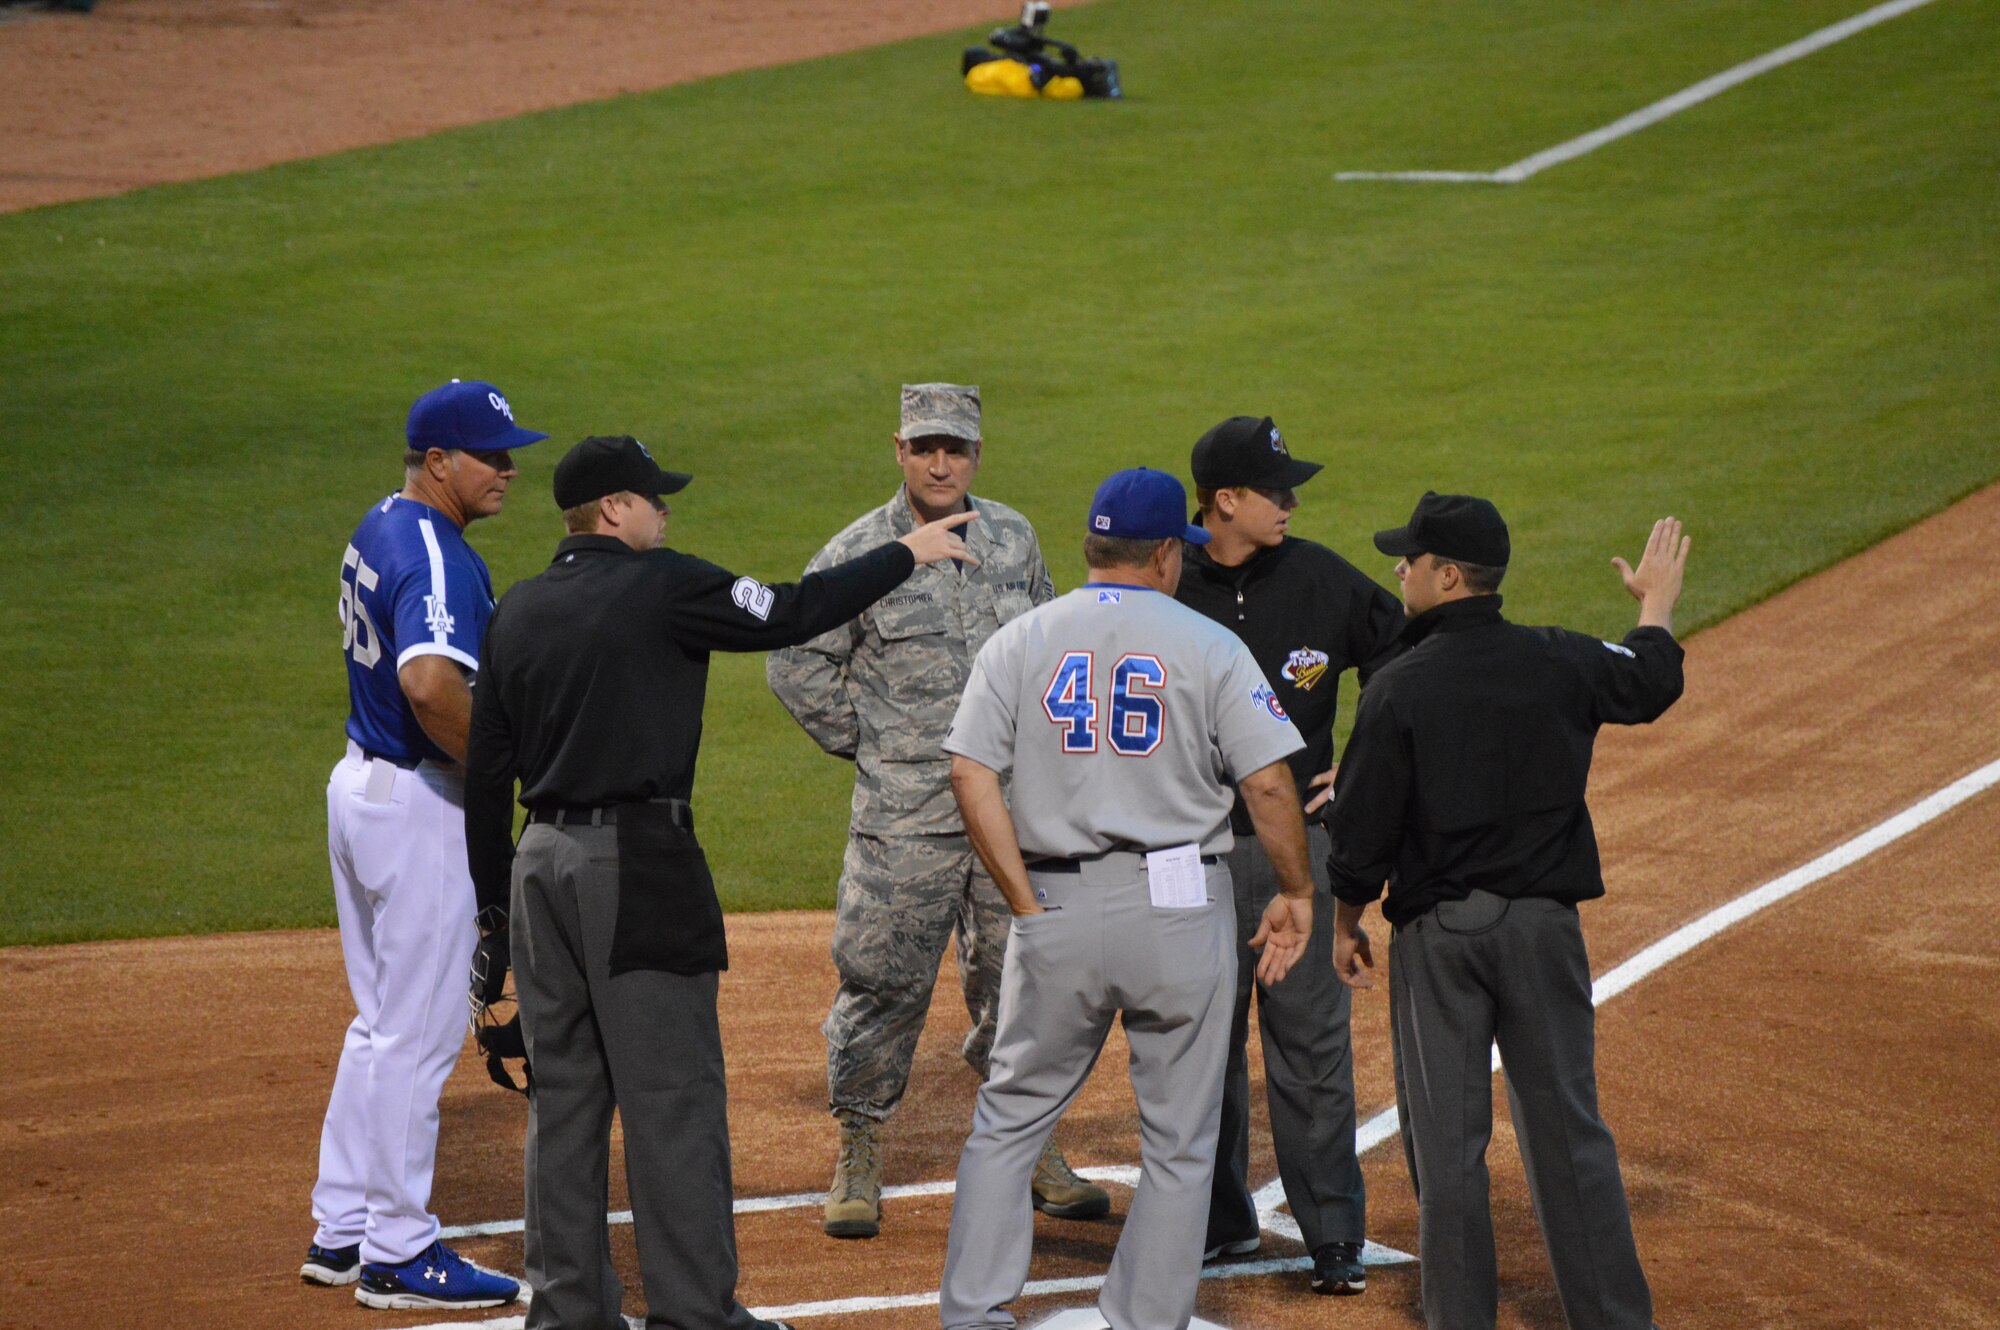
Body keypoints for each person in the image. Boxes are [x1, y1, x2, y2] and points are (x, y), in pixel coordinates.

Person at [463, 434, 977, 1330]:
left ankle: (568, 1312)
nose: (667, 512)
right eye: (654, 499)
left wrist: (494, 913)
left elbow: (484, 774)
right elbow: (792, 611)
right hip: (637, 865)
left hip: (539, 861)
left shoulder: (517, 611)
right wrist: (906, 551)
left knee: (566, 1101)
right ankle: (697, 1315)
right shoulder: (662, 586)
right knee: (672, 1099)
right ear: (614, 510)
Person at [937, 467, 1317, 1330]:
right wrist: (1295, 889)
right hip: (1180, 909)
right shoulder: (1210, 644)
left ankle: (973, 1318)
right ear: (1161, 556)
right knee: (1181, 1141)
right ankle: (1146, 1319)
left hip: (1057, 908)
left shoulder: (1021, 639)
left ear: (1090, 549)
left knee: (1008, 1121)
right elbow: (1265, 782)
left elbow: (968, 771)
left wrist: (1024, 902)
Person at [1325, 494, 1690, 1330]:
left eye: (1410, 560)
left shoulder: (1397, 686)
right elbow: (1649, 681)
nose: (1399, 570)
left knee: (1449, 1156)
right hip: (1542, 933)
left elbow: (1361, 835)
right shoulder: (1558, 657)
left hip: (1441, 942)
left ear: (1447, 576)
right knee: (1570, 1135)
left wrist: (1346, 922)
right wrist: (1656, 607)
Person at [767, 383, 1108, 1238]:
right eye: (925, 447)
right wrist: (875, 745)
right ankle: (859, 1145)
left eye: (955, 447)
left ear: (977, 454)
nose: (941, 462)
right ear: (899, 450)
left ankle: (1035, 1144)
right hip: (906, 818)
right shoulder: (858, 551)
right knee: (882, 980)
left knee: (1024, 978)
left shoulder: (1014, 538)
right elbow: (795, 661)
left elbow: (1054, 648)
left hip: (1010, 811)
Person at [306, 378, 546, 1311]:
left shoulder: (381, 523)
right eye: (492, 456)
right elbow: (432, 687)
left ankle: (344, 1226)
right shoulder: (439, 559)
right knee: (419, 1031)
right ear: (438, 462)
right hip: (418, 806)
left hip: (360, 790)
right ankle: (399, 1250)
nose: (510, 470)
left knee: (379, 1022)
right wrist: (504, 772)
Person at [1172, 415, 1402, 1295]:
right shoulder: (1167, 581)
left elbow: (1409, 658)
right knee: (1201, 1049)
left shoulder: (1322, 577)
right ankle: (1219, 1221)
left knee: (1310, 1043)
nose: (1293, 503)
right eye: (1276, 490)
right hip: (1185, 851)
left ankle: (1335, 1233)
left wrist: (1366, 761)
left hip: (1296, 849)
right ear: (1224, 501)